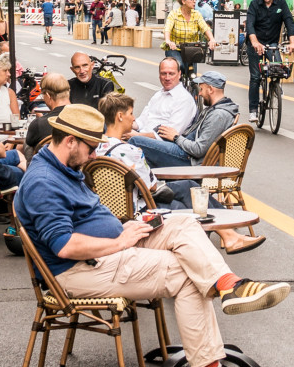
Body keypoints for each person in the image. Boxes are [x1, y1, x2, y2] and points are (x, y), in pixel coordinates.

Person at [14, 103, 290, 367]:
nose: (95, 155)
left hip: (108, 248)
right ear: (70, 141)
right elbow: (64, 245)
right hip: (78, 270)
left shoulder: (62, 167)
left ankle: (229, 284)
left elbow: (80, 222)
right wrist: (118, 241)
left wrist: (121, 231)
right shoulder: (44, 182)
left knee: (183, 224)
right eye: (92, 148)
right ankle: (208, 362)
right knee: (188, 275)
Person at [100, 93, 264, 254]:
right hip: (141, 211)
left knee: (189, 188)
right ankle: (226, 238)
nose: (134, 118)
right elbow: (152, 187)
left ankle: (229, 236)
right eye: (131, 113)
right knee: (191, 204)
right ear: (120, 116)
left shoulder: (96, 149)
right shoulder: (131, 151)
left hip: (112, 210)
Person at [128, 71, 238, 169]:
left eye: (201, 89)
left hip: (190, 159)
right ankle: (150, 185)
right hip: (185, 150)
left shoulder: (218, 115)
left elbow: (199, 150)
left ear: (210, 89)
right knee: (149, 145)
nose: (199, 93)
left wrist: (176, 137)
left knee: (136, 141)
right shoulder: (215, 109)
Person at [244, 0, 294, 123]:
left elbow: (289, 22)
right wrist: (255, 42)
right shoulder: (255, 4)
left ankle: (276, 88)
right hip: (255, 42)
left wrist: (293, 42)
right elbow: (250, 24)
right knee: (255, 77)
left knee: (277, 68)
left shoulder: (281, 4)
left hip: (272, 42)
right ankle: (253, 110)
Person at [126, 58, 197, 140]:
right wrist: (122, 123)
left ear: (179, 74)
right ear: (159, 75)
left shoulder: (184, 100)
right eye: (163, 73)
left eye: (171, 74)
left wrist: (137, 136)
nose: (167, 78)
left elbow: (168, 136)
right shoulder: (159, 94)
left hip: (163, 144)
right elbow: (141, 122)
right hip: (142, 136)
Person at [164, 0, 218, 77]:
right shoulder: (174, 14)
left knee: (193, 74)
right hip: (175, 49)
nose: (194, 1)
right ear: (183, 1)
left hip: (191, 49)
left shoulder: (196, 14)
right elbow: (168, 28)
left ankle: (192, 87)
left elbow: (205, 28)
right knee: (179, 66)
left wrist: (212, 39)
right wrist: (168, 40)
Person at [24, 73, 71, 158]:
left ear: (48, 96)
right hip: (80, 169)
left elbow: (29, 145)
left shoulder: (39, 124)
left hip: (48, 169)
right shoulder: (83, 117)